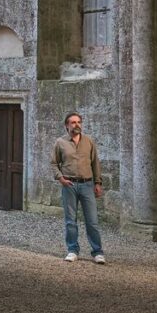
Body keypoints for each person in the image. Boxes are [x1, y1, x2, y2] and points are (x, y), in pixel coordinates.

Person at [50, 112, 105, 264]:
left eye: (79, 122)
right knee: (70, 221)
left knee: (92, 221)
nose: (77, 125)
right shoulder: (60, 142)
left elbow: (95, 163)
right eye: (73, 122)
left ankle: (98, 252)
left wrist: (98, 183)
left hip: (87, 184)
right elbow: (54, 163)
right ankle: (72, 250)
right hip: (69, 185)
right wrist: (61, 178)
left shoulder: (89, 141)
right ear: (67, 125)